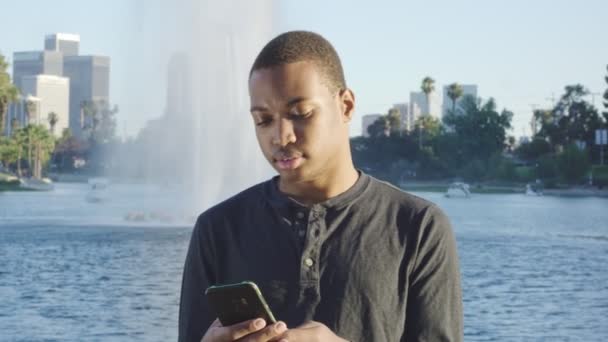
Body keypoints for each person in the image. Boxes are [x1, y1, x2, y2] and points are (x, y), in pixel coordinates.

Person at [179, 30, 463, 342]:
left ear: (346, 106)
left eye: (300, 114)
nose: (280, 136)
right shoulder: (217, 229)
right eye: (263, 120)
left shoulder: (418, 227)